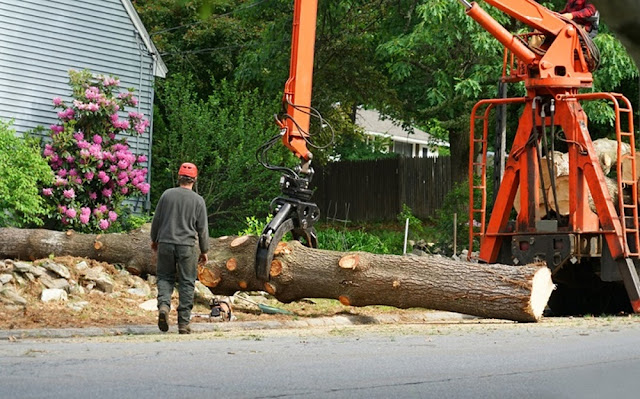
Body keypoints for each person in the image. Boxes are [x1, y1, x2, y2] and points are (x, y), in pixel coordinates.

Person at [150, 162, 209, 334]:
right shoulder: (198, 201)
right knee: (187, 282)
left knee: (164, 277)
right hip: (187, 246)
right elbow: (202, 229)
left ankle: (163, 307)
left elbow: (157, 221)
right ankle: (183, 323)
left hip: (166, 243)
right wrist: (204, 250)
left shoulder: (167, 195)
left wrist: (154, 239)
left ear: (179, 177)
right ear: (195, 179)